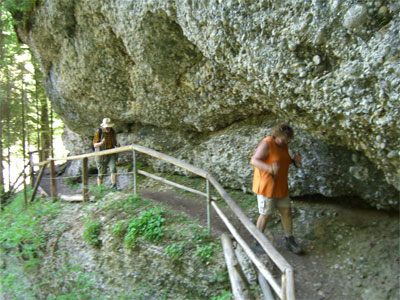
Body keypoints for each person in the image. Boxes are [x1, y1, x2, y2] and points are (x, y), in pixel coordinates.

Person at [250, 123, 303, 255]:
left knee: (286, 211)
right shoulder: (267, 143)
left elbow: (282, 160)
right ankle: (256, 241)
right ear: (276, 135)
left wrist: (293, 161)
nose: (286, 141)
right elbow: (254, 160)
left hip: (280, 185)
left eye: (288, 139)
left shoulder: (284, 145)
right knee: (266, 214)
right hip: (267, 186)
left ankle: (289, 240)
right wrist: (269, 168)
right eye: (284, 138)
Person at [93, 118, 120, 190]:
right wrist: (101, 143)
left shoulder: (112, 132)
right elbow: (95, 145)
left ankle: (114, 186)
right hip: (101, 155)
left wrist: (117, 145)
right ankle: (100, 189)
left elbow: (114, 142)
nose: (108, 128)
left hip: (111, 153)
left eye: (109, 126)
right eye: (107, 127)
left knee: (113, 168)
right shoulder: (99, 132)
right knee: (101, 172)